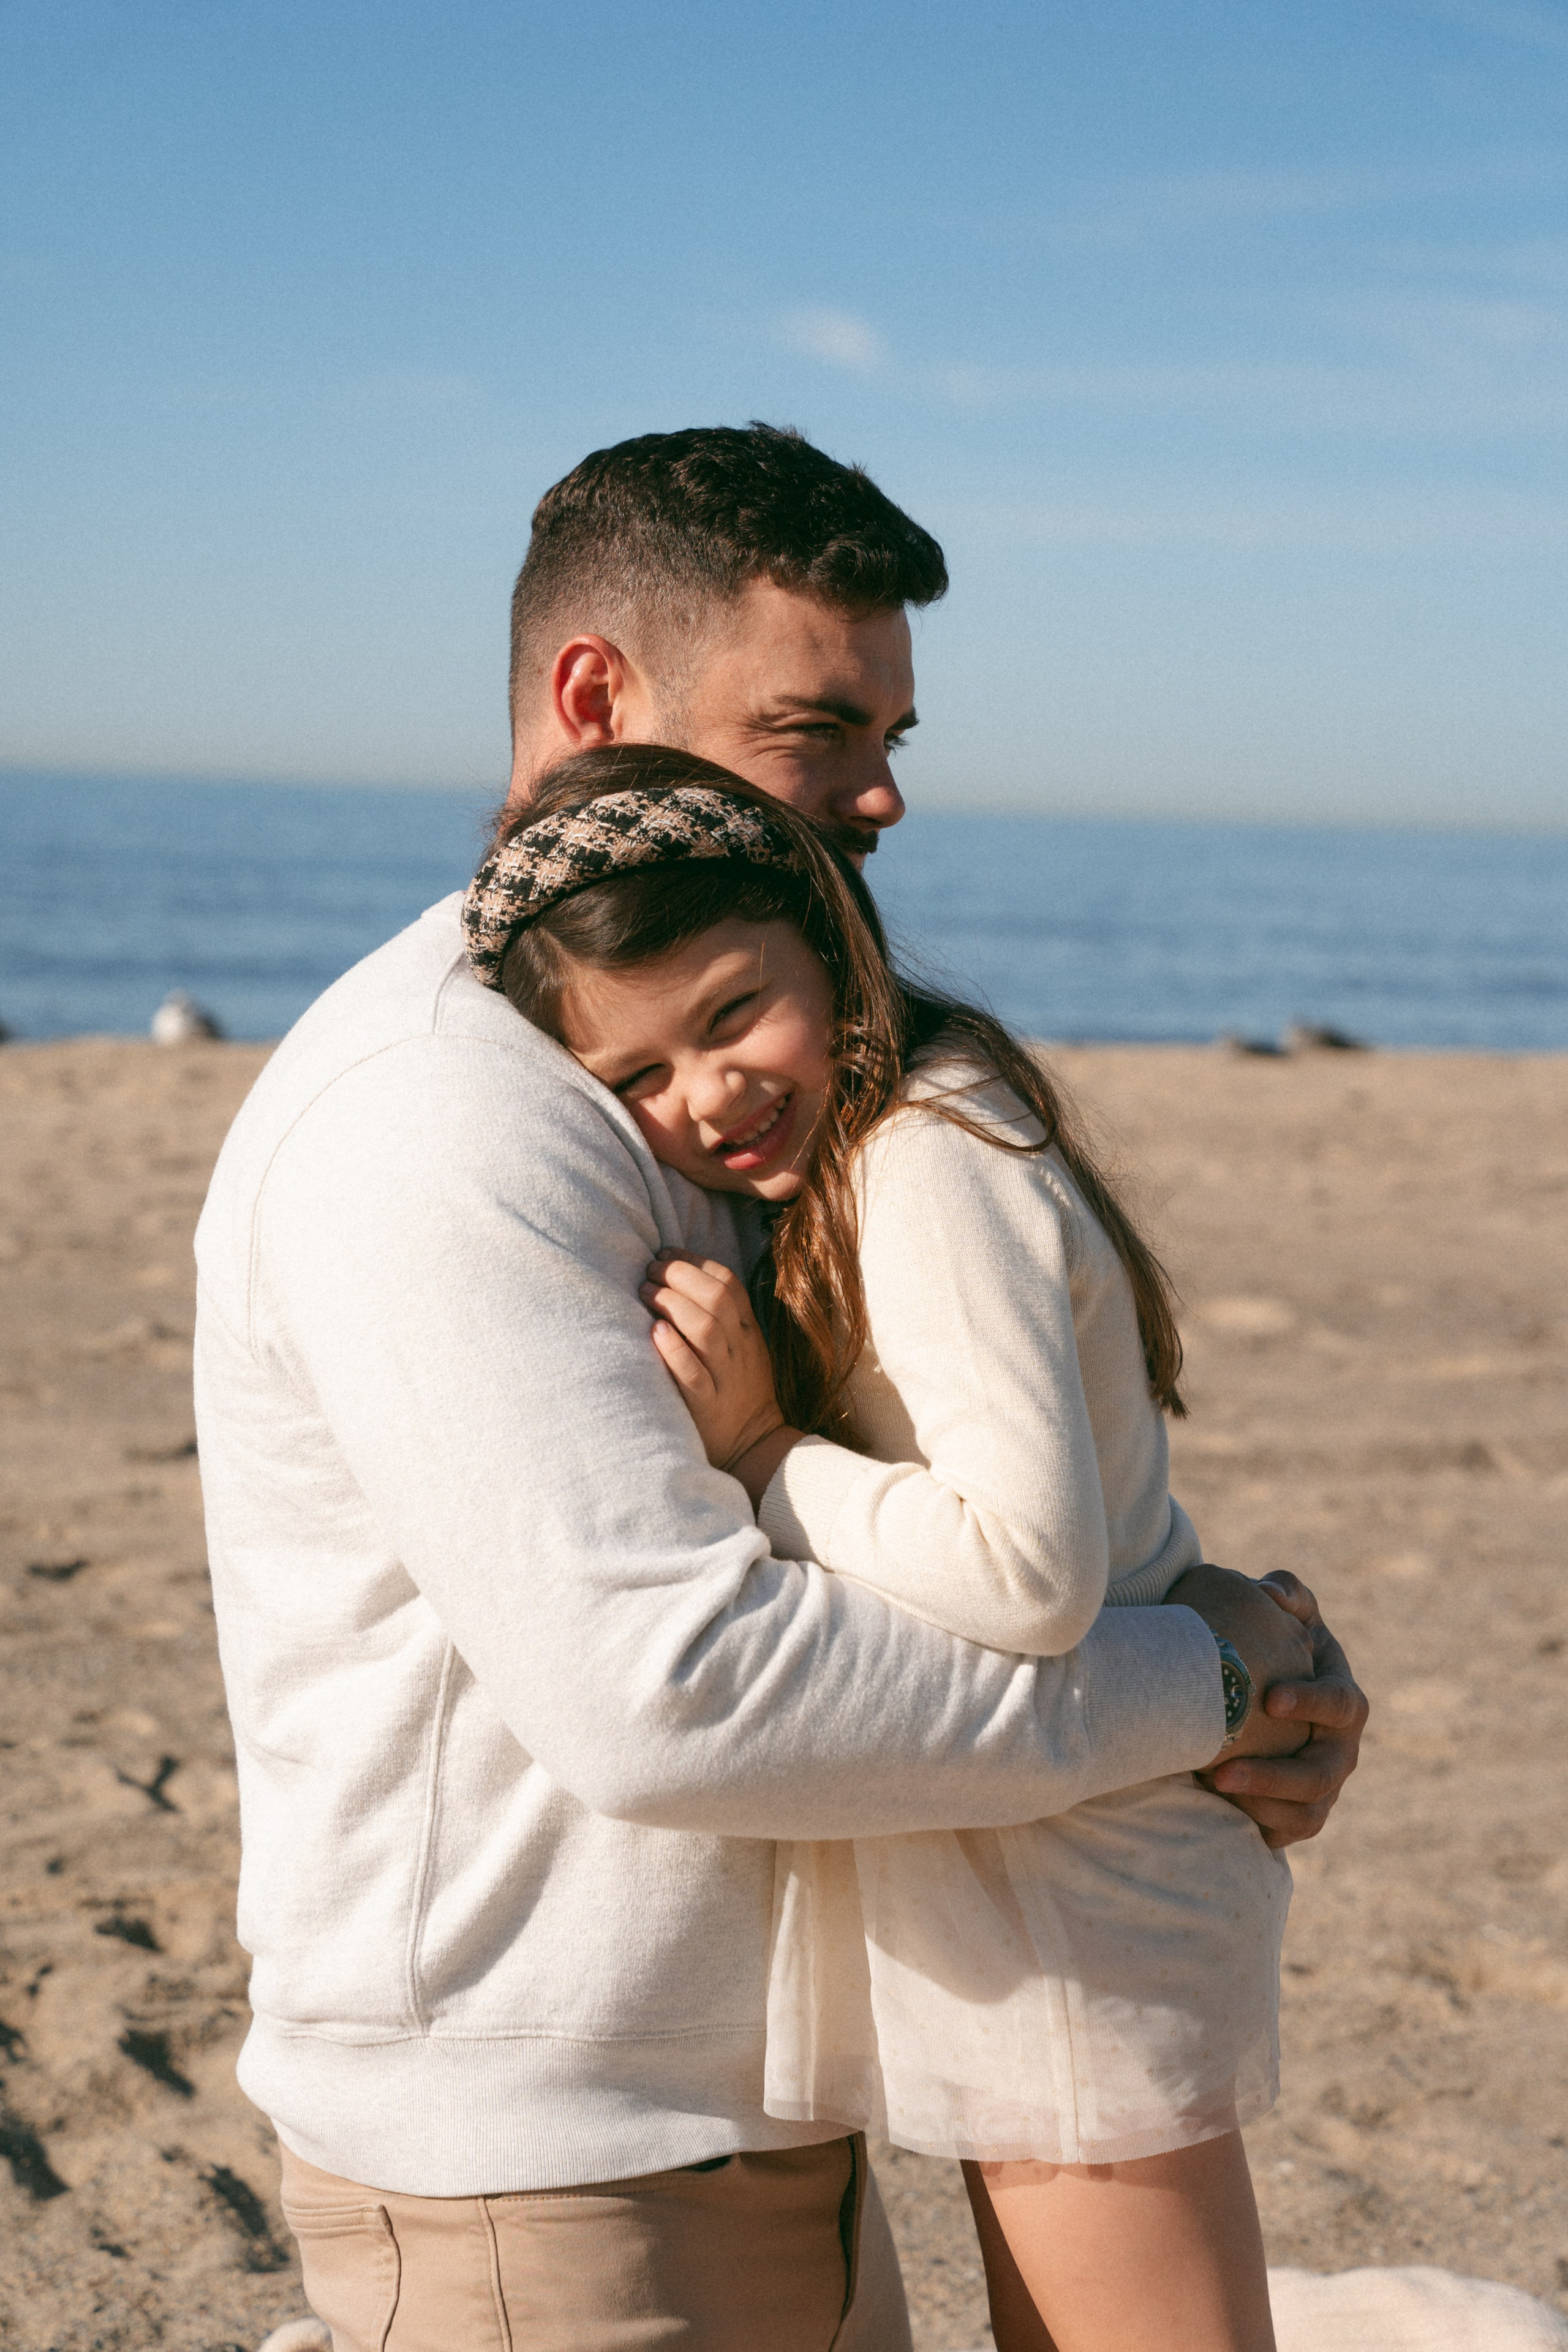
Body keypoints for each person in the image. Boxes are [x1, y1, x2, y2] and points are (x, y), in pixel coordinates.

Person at [194, 424, 1366, 2351]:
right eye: (821, 729)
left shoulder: (685, 1074)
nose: (887, 794)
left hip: (742, 2113)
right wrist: (1202, 1683)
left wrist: (1250, 1668)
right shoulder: (438, 1114)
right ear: (597, 698)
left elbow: (941, 1497)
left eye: (898, 733)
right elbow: (678, 1697)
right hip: (542, 2170)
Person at [464, 745, 1316, 2352]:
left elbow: (1027, 1570)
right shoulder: (882, 1143)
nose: (703, 1096)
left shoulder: (923, 1154)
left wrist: (770, 1455)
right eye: (637, 1081)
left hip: (1083, 1874)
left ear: (828, 940)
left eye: (729, 1014)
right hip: (1052, 1844)